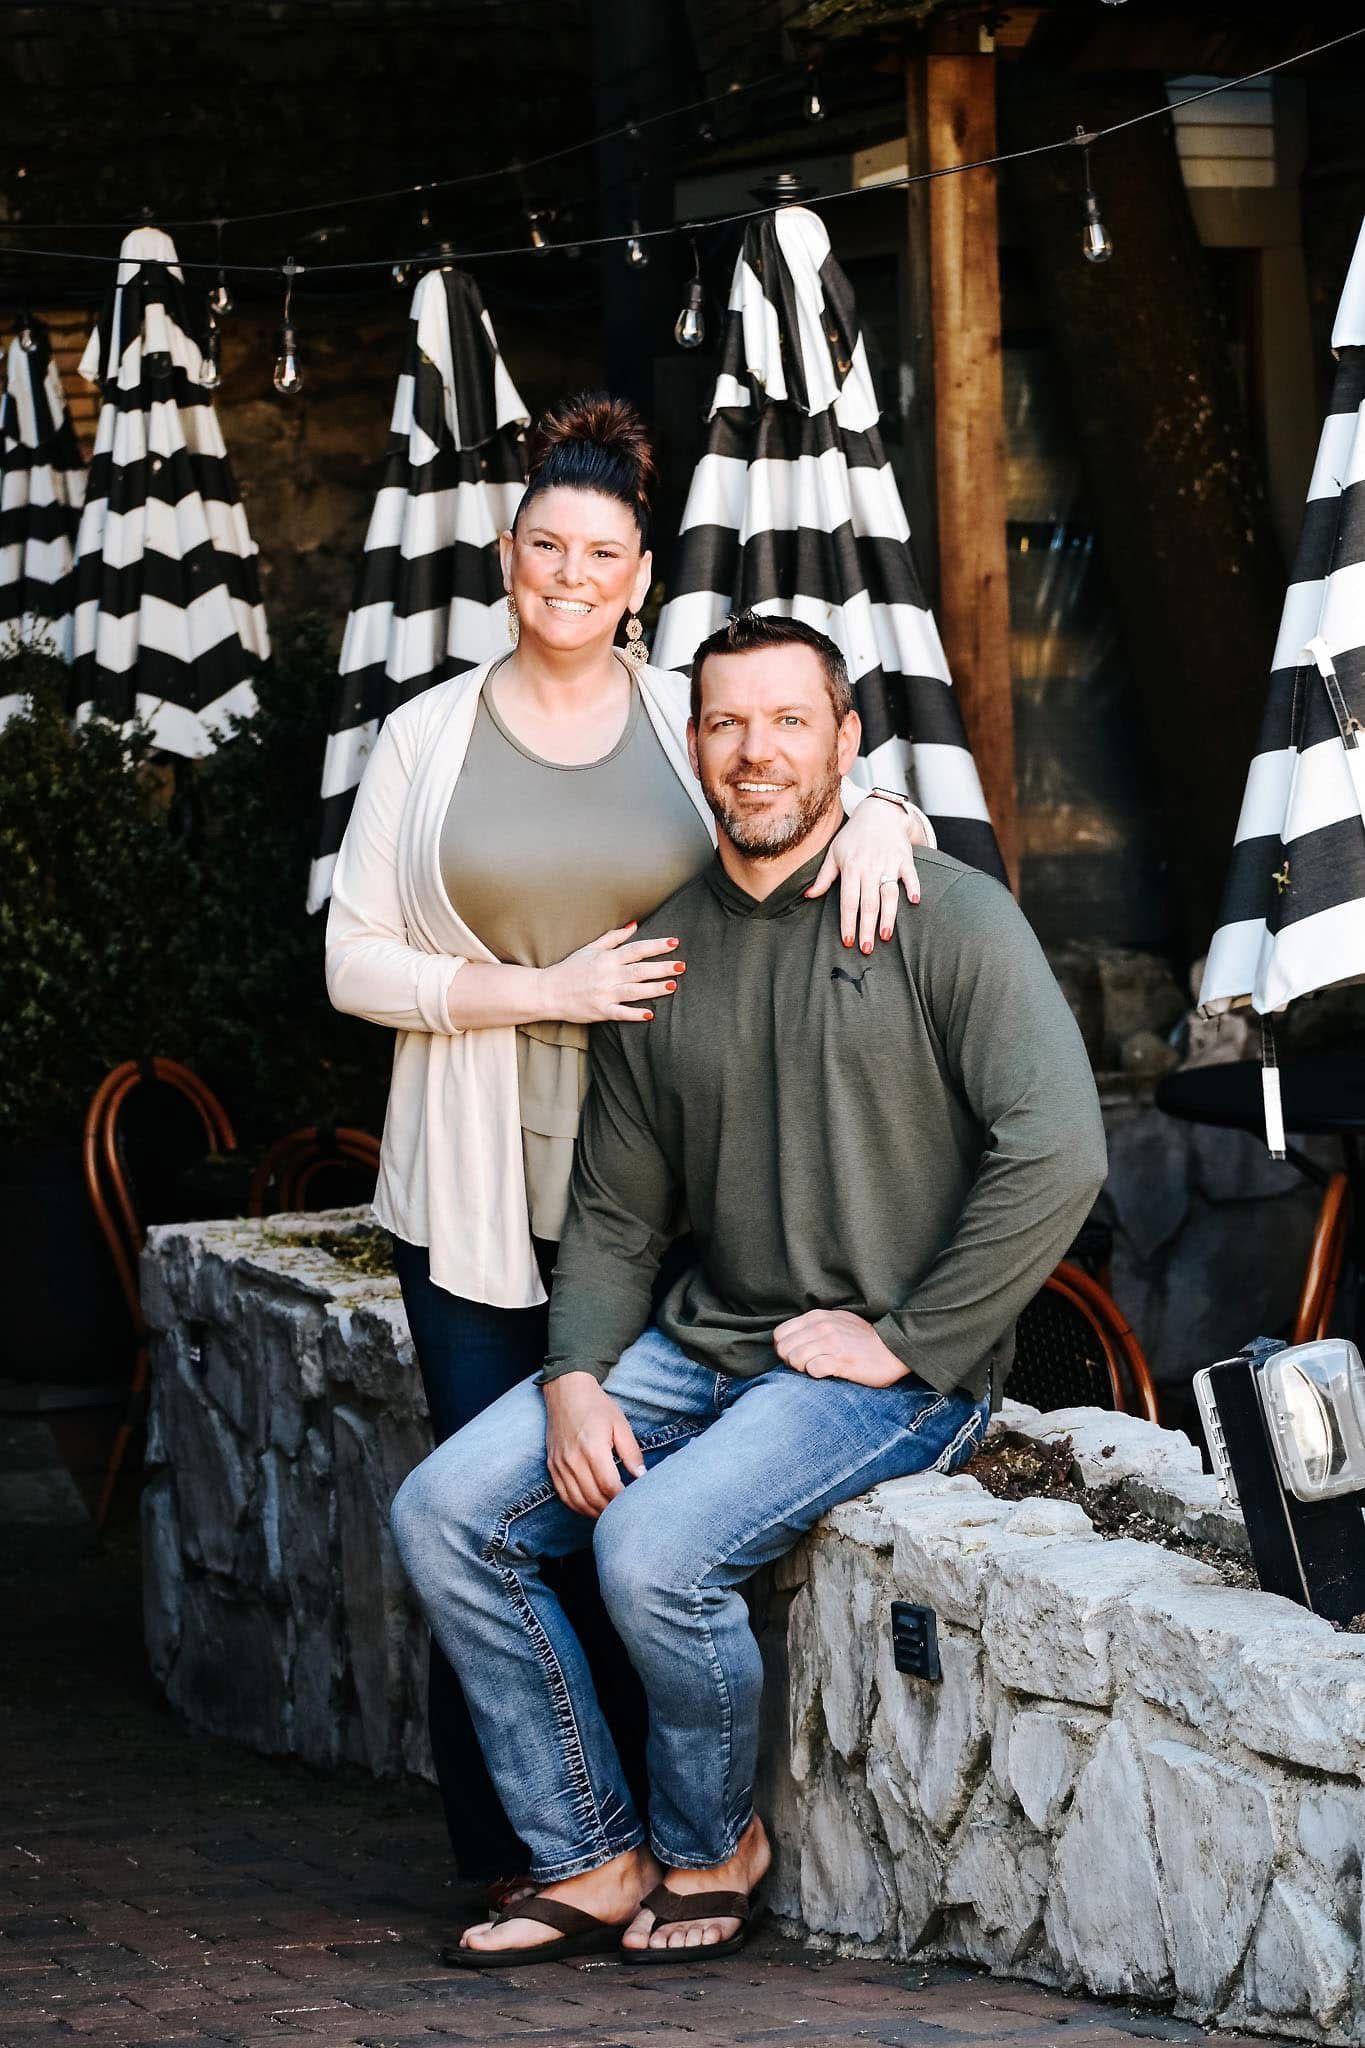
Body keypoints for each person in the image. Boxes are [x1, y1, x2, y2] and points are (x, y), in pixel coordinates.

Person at [389, 611, 1109, 1967]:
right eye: (724, 722)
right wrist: (577, 1376)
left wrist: (912, 1340)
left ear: (845, 741)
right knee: (444, 1512)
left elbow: (1057, 1149)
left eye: (789, 720)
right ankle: (587, 1856)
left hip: (886, 1376)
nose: (754, 749)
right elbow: (612, 1209)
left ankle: (711, 1844)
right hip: (706, 1338)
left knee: (650, 1552)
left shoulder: (946, 916)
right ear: (695, 749)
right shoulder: (666, 950)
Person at [325, 398, 934, 1904]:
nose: (570, 576)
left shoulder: (685, 716)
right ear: (508, 558)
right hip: (472, 1176)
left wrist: (888, 814)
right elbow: (351, 961)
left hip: (663, 1169)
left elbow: (784, 783)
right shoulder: (424, 734)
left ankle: (664, 1842)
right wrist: (541, 993)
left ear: (640, 573)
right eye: (546, 547)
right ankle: (529, 1855)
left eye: (601, 553)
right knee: (490, 1503)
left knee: (619, 1500)